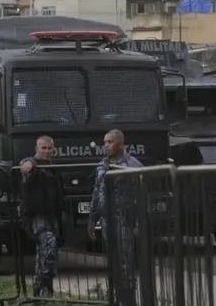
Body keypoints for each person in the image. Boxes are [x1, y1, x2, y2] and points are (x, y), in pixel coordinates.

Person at [87, 129, 143, 305]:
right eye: (104, 142)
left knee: (126, 261)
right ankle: (118, 298)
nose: (106, 146)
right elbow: (97, 192)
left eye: (110, 142)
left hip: (123, 218)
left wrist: (139, 222)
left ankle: (128, 300)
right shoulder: (103, 164)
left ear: (120, 143)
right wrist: (92, 219)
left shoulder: (132, 165)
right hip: (106, 220)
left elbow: (141, 195)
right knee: (114, 262)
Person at [19, 136, 64, 298]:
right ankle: (43, 283)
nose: (46, 151)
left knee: (44, 254)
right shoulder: (32, 165)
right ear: (37, 148)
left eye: (49, 148)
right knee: (48, 243)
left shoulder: (53, 168)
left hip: (51, 216)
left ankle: (39, 293)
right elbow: (25, 165)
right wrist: (30, 163)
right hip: (35, 216)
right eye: (43, 148)